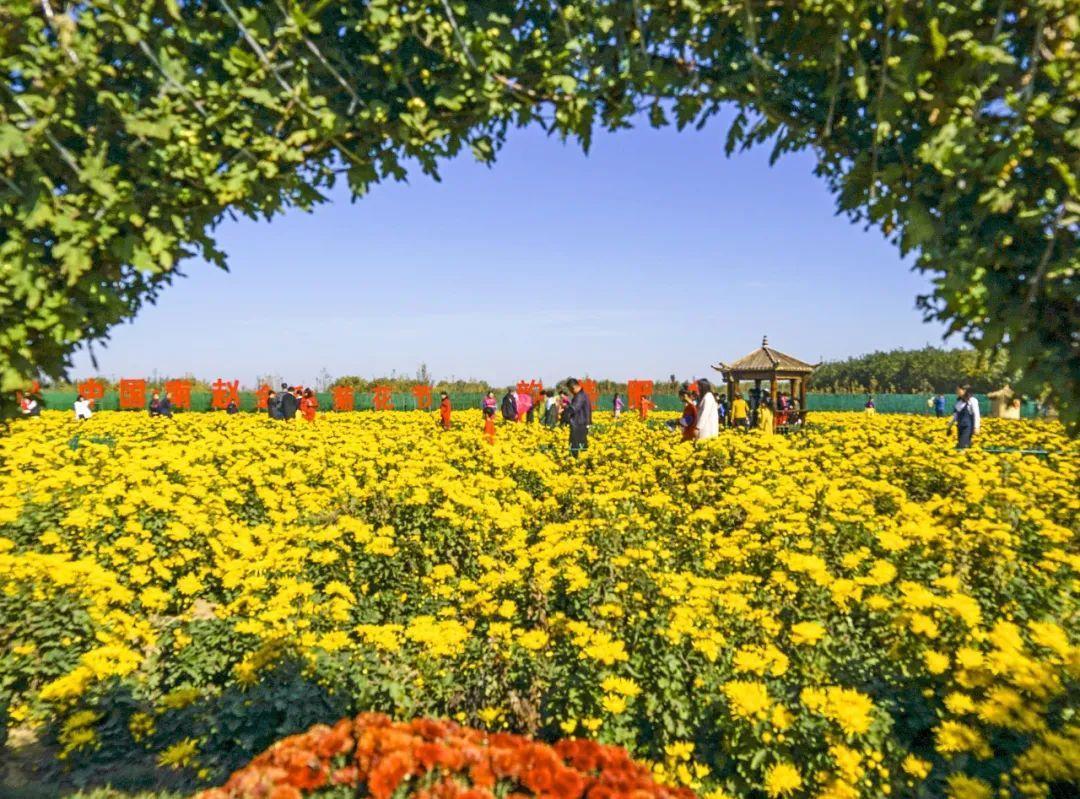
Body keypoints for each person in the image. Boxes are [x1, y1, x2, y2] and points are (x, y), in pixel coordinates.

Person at [563, 378, 592, 457]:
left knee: (576, 448)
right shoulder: (581, 395)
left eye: (570, 390)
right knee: (581, 447)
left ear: (573, 387)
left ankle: (577, 463)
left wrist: (565, 413)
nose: (571, 392)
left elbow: (574, 408)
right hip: (581, 424)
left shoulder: (580, 396)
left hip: (579, 424)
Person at [947, 385, 981, 449]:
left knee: (962, 445)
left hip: (968, 427)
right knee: (965, 445)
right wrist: (949, 426)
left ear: (964, 390)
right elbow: (955, 416)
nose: (956, 391)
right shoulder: (958, 402)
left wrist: (976, 427)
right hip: (959, 427)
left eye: (958, 390)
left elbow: (977, 414)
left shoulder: (972, 400)